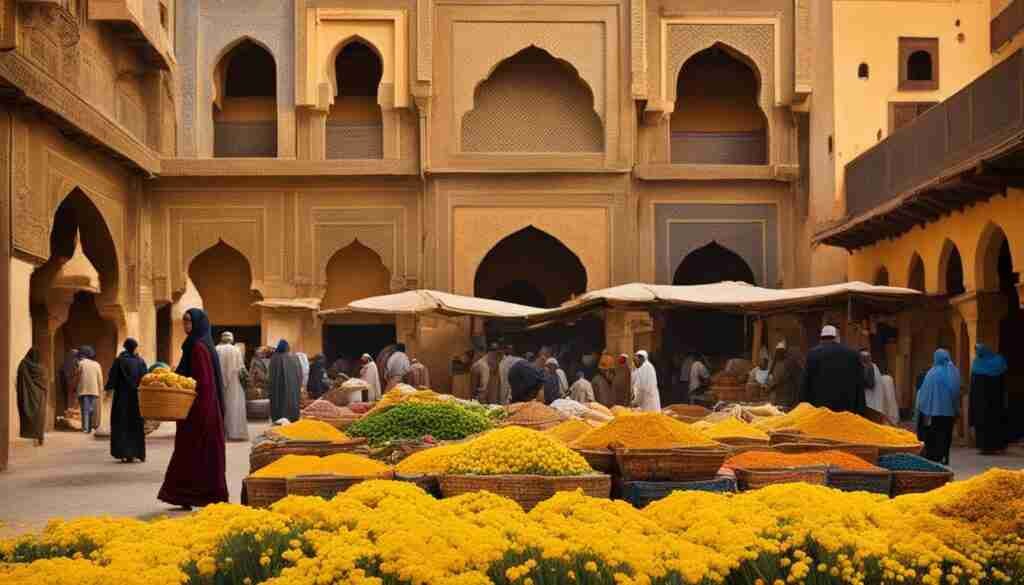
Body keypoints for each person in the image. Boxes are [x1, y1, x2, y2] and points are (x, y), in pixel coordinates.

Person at [158, 308, 229, 509]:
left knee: (194, 453)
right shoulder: (195, 345)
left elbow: (203, 383)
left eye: (189, 322)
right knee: (191, 453)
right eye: (184, 322)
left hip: (200, 410)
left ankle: (193, 495)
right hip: (197, 409)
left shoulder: (198, 347)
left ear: (197, 323)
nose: (186, 326)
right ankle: (187, 496)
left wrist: (199, 414)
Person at [801, 325, 866, 414]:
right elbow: (859, 383)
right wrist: (860, 411)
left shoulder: (812, 354)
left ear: (821, 338)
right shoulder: (852, 354)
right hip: (846, 409)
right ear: (836, 337)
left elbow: (805, 384)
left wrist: (804, 408)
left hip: (820, 410)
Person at [916, 348, 960, 465]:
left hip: (933, 412)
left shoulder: (931, 372)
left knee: (934, 433)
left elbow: (923, 393)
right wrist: (956, 408)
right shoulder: (953, 371)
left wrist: (923, 409)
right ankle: (945, 456)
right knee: (946, 434)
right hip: (948, 411)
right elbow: (955, 392)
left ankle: (934, 457)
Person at [107, 338, 147, 462]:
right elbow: (145, 378)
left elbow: (112, 378)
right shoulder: (140, 361)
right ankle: (136, 452)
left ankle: (123, 452)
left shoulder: (119, 361)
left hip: (121, 399)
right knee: (135, 424)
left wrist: (108, 389)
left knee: (122, 423)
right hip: (136, 399)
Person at [969, 343, 1009, 455]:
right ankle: (988, 447)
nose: (977, 353)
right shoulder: (996, 362)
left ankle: (989, 447)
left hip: (986, 402)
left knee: (989, 422)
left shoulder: (980, 364)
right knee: (990, 423)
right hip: (992, 402)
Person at [216, 332, 249, 441]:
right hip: (234, 383)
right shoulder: (236, 350)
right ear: (231, 339)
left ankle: (220, 433)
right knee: (234, 407)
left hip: (219, 381)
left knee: (220, 406)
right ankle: (234, 433)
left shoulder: (217, 349)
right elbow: (241, 368)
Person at [16, 348, 46, 446]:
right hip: (40, 396)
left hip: (27, 395)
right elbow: (45, 382)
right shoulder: (42, 368)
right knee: (39, 417)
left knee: (28, 415)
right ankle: (39, 436)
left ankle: (30, 435)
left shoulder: (23, 364)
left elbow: (20, 380)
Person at [268, 340, 302, 422]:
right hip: (293, 389)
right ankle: (293, 418)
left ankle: (279, 419)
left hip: (278, 389)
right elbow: (300, 374)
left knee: (280, 402)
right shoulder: (295, 358)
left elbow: (271, 376)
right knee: (292, 402)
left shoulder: (275, 358)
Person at [77, 345, 104, 433]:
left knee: (85, 409)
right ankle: (91, 426)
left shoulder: (81, 363)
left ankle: (85, 427)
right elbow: (100, 379)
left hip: (83, 390)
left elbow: (78, 376)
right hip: (94, 390)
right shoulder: (97, 364)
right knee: (91, 409)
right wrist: (101, 389)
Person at [60, 349, 80, 416]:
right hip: (72, 384)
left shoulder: (66, 362)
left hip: (69, 384)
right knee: (73, 401)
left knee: (70, 401)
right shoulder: (76, 362)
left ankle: (69, 415)